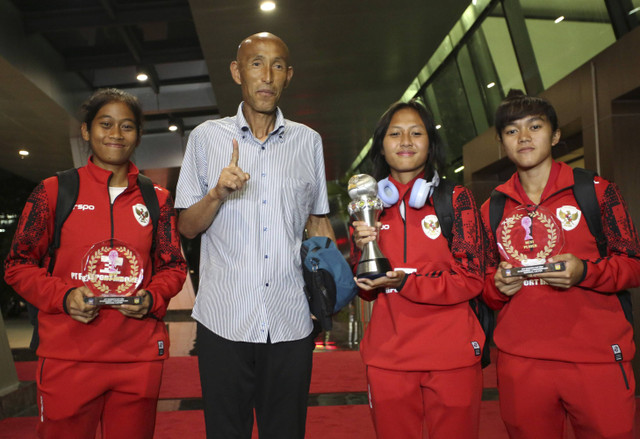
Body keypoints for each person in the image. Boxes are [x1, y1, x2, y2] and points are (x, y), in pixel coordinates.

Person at [174, 32, 335, 439]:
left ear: (289, 75)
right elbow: (186, 227)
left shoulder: (308, 142)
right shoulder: (207, 138)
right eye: (256, 63)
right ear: (236, 72)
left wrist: (330, 296)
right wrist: (217, 192)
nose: (267, 75)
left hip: (291, 320)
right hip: (223, 320)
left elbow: (318, 224)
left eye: (278, 65)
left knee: (286, 432)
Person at [4, 88, 187, 439]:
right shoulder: (54, 191)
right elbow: (18, 263)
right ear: (86, 131)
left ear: (138, 135)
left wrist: (151, 297)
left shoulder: (157, 199)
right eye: (106, 124)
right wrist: (64, 295)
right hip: (69, 357)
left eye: (127, 126)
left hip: (137, 358)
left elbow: (173, 266)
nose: (116, 134)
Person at [481, 90, 640, 439]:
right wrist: (497, 287)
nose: (523, 137)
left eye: (534, 126)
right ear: (501, 141)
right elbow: (485, 289)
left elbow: (633, 264)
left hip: (595, 358)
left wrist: (586, 271)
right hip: (521, 363)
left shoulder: (596, 192)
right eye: (511, 130)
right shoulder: (491, 208)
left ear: (554, 135)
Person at [351, 99, 486, 439]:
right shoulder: (369, 209)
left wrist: (406, 282)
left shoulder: (456, 200)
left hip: (452, 357)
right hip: (388, 359)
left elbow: (471, 280)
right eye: (395, 134)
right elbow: (366, 290)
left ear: (430, 143)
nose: (406, 141)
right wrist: (365, 270)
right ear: (381, 146)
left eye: (416, 133)